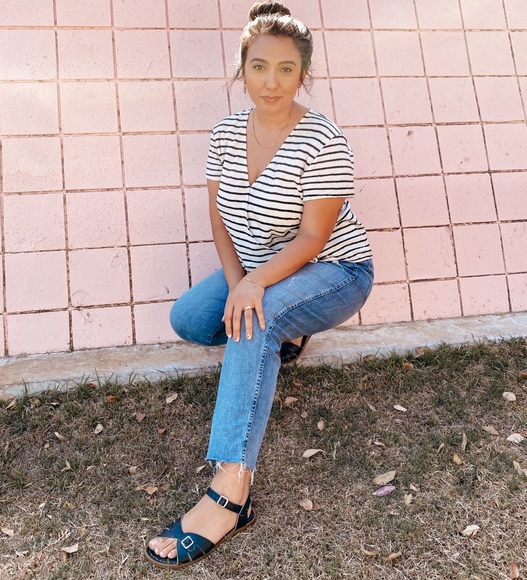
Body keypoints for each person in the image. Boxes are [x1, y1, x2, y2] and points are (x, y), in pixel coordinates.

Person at [145, 1, 373, 570]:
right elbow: (219, 218)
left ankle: (230, 494)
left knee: (255, 321)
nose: (271, 82)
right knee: (190, 319)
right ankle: (281, 330)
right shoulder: (225, 133)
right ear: (242, 69)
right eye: (259, 66)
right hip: (257, 272)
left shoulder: (324, 139)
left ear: (303, 74)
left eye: (286, 69)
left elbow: (314, 238)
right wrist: (237, 283)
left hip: (335, 271)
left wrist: (255, 291)